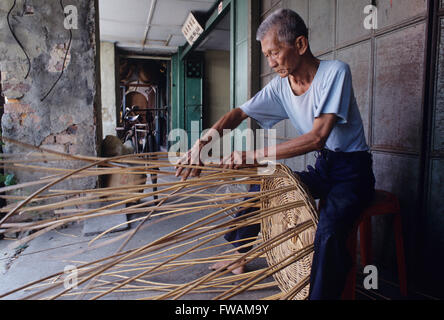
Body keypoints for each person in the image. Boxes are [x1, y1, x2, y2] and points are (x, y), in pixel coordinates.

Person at [175, 8, 375, 300]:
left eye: (274, 53)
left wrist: (253, 155)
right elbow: (238, 113)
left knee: (329, 230)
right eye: (266, 55)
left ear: (300, 45)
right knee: (264, 184)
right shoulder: (281, 87)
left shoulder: (335, 73)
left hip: (353, 174)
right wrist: (202, 144)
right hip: (325, 168)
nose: (270, 62)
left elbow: (317, 138)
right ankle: (239, 255)